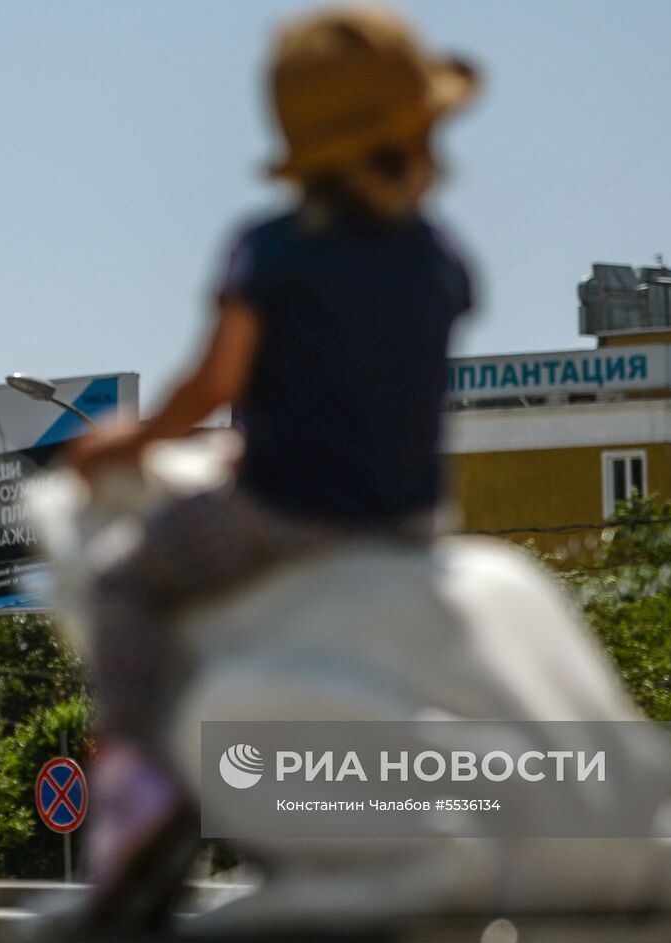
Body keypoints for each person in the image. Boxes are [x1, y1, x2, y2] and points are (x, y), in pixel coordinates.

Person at [65, 6, 478, 924]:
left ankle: (140, 793)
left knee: (124, 579)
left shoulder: (274, 251)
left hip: (290, 511)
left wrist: (126, 443)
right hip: (414, 517)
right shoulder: (442, 257)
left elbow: (212, 384)